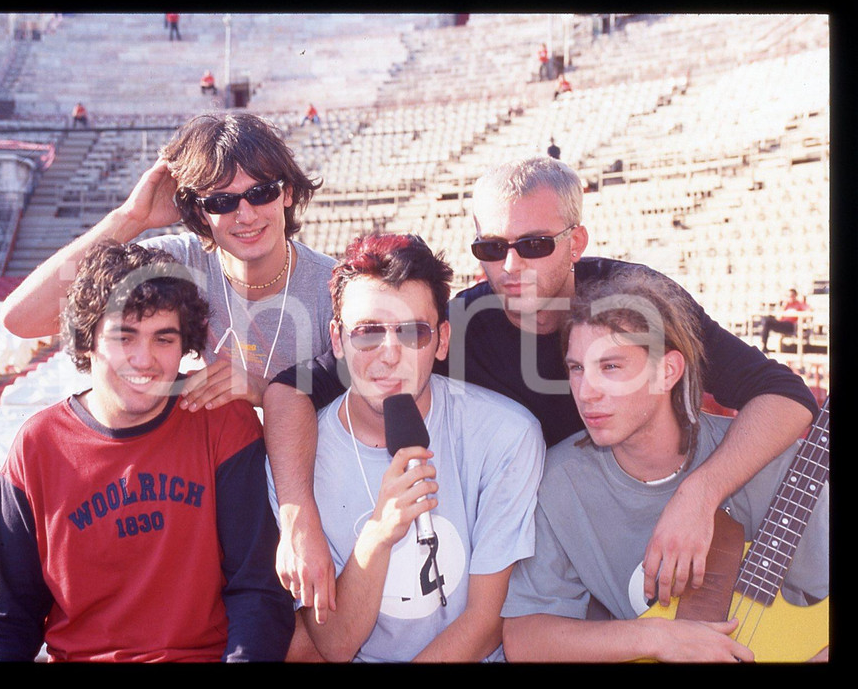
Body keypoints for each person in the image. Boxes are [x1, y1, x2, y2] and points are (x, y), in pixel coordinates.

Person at [261, 155, 817, 627]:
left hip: (659, 538)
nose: (510, 266)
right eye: (491, 247)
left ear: (576, 241)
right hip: (539, 566)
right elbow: (292, 389)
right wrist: (298, 516)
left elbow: (786, 396)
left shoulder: (637, 301)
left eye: (533, 244)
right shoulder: (452, 326)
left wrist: (701, 493)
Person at [0, 241, 293, 662]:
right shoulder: (38, 445)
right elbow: (4, 617)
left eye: (164, 338)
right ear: (88, 341)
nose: (145, 359)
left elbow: (259, 592)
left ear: (185, 345)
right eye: (124, 335)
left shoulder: (222, 423)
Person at [500, 265, 829, 662]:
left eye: (611, 367)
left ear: (668, 370)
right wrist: (655, 637)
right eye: (576, 369)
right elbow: (524, 637)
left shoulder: (766, 458)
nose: (586, 393)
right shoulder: (557, 481)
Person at [269, 233, 544, 662]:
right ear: (337, 340)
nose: (389, 354)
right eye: (367, 333)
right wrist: (379, 535)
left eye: (413, 332)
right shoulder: (296, 463)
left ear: (443, 340)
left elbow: (487, 622)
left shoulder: (506, 435)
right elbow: (335, 645)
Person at [0, 111, 335, 415]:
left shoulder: (333, 286)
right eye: (221, 201)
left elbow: (363, 387)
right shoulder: (180, 262)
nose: (245, 215)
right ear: (201, 212)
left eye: (261, 193)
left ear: (288, 193)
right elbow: (23, 318)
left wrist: (262, 389)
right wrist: (130, 218)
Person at [759, 288, 811, 353]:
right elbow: (778, 318)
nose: (790, 298)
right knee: (767, 321)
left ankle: (764, 346)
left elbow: (809, 310)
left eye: (792, 296)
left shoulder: (799, 304)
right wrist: (783, 307)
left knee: (768, 322)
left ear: (795, 296)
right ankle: (764, 346)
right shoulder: (786, 305)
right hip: (782, 324)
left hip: (790, 325)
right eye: (788, 296)